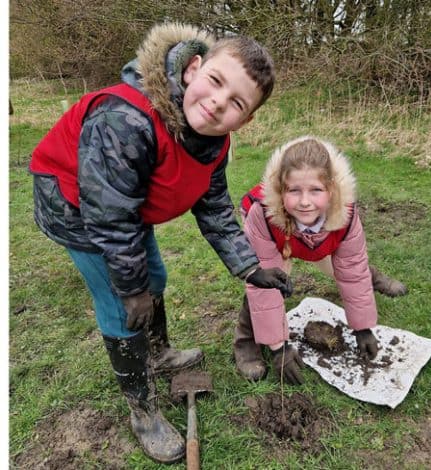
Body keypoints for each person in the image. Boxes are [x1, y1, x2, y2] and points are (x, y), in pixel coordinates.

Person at [28, 23, 292, 463]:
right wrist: (131, 290)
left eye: (236, 104)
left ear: (245, 121)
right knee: (121, 304)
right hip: (77, 208)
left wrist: (250, 267)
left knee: (156, 276)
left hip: (127, 209)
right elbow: (110, 218)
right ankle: (143, 408)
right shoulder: (126, 121)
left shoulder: (212, 143)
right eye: (215, 82)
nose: (216, 104)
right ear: (193, 69)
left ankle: (159, 351)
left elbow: (214, 209)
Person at [234, 135, 407, 385]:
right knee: (267, 284)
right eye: (294, 190)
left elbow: (352, 267)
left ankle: (377, 279)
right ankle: (246, 342)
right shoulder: (261, 214)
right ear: (281, 190)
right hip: (279, 240)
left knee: (347, 268)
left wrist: (362, 327)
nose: (305, 202)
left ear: (331, 190)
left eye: (316, 190)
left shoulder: (345, 214)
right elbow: (263, 288)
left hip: (323, 242)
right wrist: (278, 347)